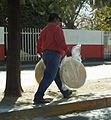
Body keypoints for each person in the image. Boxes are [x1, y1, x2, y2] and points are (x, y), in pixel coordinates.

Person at [34, 12, 72, 104]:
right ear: (55, 19)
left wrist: (39, 51)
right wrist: (67, 51)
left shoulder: (44, 30)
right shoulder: (56, 28)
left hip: (46, 54)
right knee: (49, 76)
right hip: (54, 55)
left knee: (56, 75)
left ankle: (65, 92)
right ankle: (38, 96)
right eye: (58, 20)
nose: (59, 22)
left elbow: (39, 42)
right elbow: (60, 41)